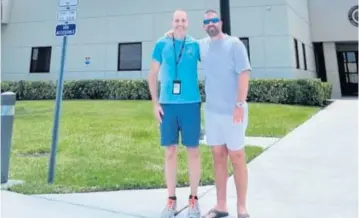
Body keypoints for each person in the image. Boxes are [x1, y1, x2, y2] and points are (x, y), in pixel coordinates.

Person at [165, 9, 251, 218]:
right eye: (207, 22)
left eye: (214, 20)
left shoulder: (234, 44)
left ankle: (241, 207)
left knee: (237, 156)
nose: (211, 24)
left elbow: (244, 74)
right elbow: (183, 41)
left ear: (220, 23)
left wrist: (239, 104)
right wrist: (173, 31)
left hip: (234, 112)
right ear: (203, 26)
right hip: (212, 113)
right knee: (218, 157)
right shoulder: (200, 46)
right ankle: (221, 206)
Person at [147, 9, 202, 218]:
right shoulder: (161, 43)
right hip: (167, 105)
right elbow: (152, 75)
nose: (180, 23)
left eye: (183, 20)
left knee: (193, 151)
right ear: (172, 22)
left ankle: (194, 199)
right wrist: (155, 104)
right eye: (177, 20)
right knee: (170, 151)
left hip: (191, 104)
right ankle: (171, 200)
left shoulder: (195, 45)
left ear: (188, 23)